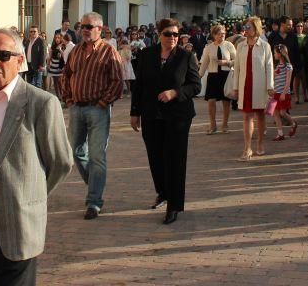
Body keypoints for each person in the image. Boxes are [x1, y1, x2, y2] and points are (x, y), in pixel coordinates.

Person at [0, 28, 72, 286]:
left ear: (19, 61)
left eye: (3, 55)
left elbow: (61, 162)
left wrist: (28, 196)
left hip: (17, 217)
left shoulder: (41, 103)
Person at [131, 18, 201, 225]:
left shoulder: (186, 56)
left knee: (175, 159)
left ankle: (174, 205)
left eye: (175, 35)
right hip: (152, 114)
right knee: (155, 157)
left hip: (178, 115)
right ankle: (163, 192)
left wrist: (175, 92)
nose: (172, 38)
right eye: (168, 34)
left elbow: (195, 86)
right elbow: (139, 85)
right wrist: (135, 112)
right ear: (159, 35)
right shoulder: (146, 55)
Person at [58, 12, 123, 220]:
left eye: (89, 26)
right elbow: (66, 75)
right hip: (76, 107)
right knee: (76, 153)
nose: (85, 29)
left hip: (98, 109)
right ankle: (95, 184)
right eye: (82, 26)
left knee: (97, 156)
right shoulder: (76, 51)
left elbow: (117, 81)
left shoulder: (109, 52)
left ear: (100, 29)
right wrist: (68, 100)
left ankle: (94, 201)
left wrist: (103, 102)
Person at [232, 17, 274, 160]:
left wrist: (270, 86)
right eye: (245, 27)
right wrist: (235, 87)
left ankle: (260, 143)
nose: (246, 29)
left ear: (256, 28)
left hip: (260, 85)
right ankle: (247, 147)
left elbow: (269, 67)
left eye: (248, 27)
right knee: (246, 117)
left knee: (260, 116)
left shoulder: (265, 46)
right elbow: (236, 68)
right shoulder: (241, 46)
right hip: (245, 85)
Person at [198, 24, 236, 135]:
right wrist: (198, 77)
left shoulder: (229, 45)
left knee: (226, 102)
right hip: (213, 76)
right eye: (219, 34)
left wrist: (227, 62)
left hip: (226, 75)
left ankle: (225, 125)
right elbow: (204, 64)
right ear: (214, 35)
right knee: (211, 101)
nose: (222, 36)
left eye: (223, 34)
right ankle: (213, 125)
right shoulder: (208, 47)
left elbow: (237, 60)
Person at [270, 44, 298, 141]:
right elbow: (273, 79)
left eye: (275, 53)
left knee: (282, 112)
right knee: (275, 113)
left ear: (280, 54)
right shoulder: (277, 66)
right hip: (276, 93)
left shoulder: (288, 67)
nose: (274, 54)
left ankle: (293, 123)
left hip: (283, 93)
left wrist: (284, 92)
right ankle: (280, 133)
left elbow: (288, 81)